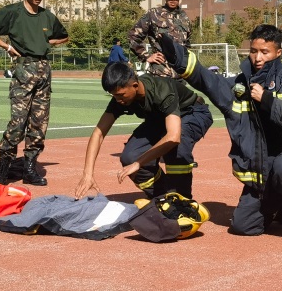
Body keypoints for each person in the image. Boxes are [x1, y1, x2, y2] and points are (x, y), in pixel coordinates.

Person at [158, 26, 282, 246]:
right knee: (244, 226)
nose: (258, 57)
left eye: (265, 52)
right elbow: (207, 80)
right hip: (263, 166)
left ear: (278, 53)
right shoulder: (239, 85)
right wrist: (176, 55)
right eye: (253, 51)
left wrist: (267, 99)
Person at [0, 0, 69, 186]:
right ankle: (2, 168)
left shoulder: (47, 16)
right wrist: (7, 46)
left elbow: (64, 36)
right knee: (18, 123)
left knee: (39, 123)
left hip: (44, 70)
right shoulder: (13, 12)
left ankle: (30, 169)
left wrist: (46, 42)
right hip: (23, 69)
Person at [72, 61, 213, 201]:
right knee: (129, 157)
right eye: (114, 96)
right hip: (159, 120)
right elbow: (98, 133)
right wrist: (87, 174)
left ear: (135, 85)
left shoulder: (161, 90)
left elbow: (173, 137)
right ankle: (162, 196)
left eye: (121, 95)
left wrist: (138, 163)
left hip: (191, 113)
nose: (118, 100)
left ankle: (182, 201)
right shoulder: (120, 99)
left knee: (176, 147)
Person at [128, 0, 191, 78]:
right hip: (160, 74)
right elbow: (133, 36)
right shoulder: (153, 14)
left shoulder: (185, 18)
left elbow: (187, 44)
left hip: (180, 75)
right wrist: (147, 56)